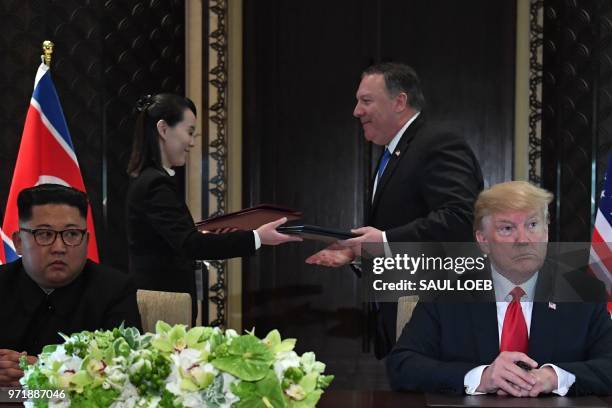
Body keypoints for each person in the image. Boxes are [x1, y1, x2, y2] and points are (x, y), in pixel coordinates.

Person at [306, 62, 483, 358]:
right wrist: (360, 251)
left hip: (432, 314)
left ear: (399, 101)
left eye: (366, 101)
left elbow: (460, 219)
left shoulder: (437, 143)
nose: (356, 111)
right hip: (398, 311)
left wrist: (383, 242)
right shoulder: (394, 152)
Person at [387, 181, 612, 396]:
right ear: (483, 240)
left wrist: (555, 377)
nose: (523, 240)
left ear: (546, 232)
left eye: (533, 225)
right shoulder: (447, 293)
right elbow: (402, 365)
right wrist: (480, 377)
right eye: (507, 228)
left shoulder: (584, 291)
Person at [126, 93, 301, 321]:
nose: (191, 142)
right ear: (163, 129)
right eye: (189, 132)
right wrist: (257, 237)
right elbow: (190, 244)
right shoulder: (155, 184)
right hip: (162, 308)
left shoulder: (151, 180)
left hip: (165, 304)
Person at [0, 184, 142, 386]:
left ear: (87, 240)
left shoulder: (115, 289)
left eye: (72, 234)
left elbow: (128, 367)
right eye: (44, 234)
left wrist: (45, 370)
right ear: (19, 242)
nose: (59, 248)